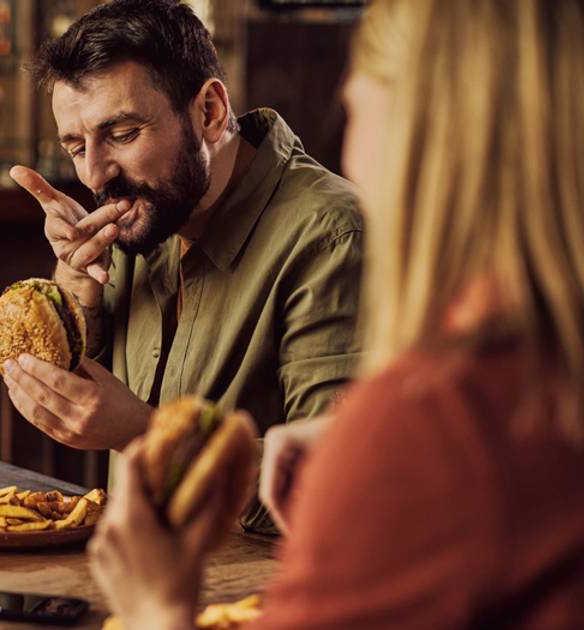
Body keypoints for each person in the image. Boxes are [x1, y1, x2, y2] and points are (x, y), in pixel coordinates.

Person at [89, 0, 584, 627]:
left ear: (423, 141)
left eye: (354, 108)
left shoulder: (440, 418)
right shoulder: (531, 381)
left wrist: (154, 608)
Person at [3, 0, 362, 531]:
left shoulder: (332, 234)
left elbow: (338, 486)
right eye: (77, 146)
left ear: (210, 113)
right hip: (135, 583)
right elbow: (92, 386)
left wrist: (145, 435)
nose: (96, 176)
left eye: (122, 134)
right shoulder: (148, 214)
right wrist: (76, 283)